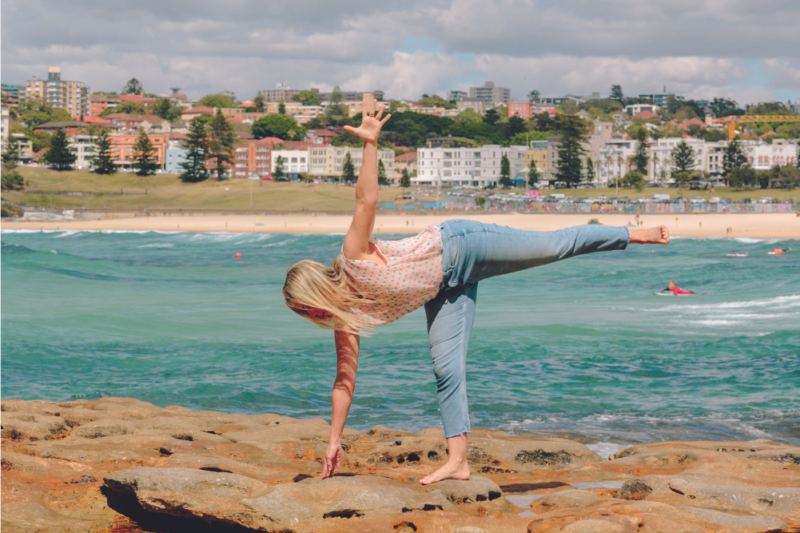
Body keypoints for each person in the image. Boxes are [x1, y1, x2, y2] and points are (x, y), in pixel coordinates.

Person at [282, 97, 671, 486]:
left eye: (307, 307)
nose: (312, 315)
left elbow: (366, 200)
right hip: (445, 289)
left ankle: (632, 233)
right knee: (446, 369)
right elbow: (344, 381)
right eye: (304, 314)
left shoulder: (352, 258)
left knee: (552, 246)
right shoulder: (347, 319)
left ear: (316, 289)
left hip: (461, 244)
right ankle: (459, 462)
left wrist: (369, 143)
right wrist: (333, 441)